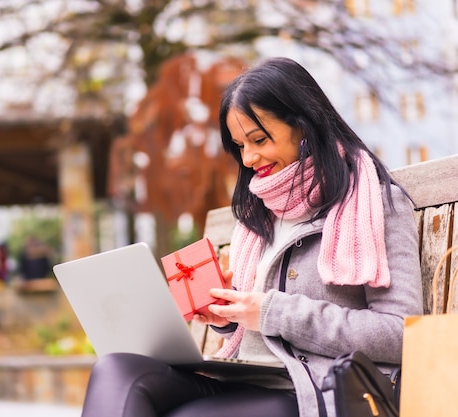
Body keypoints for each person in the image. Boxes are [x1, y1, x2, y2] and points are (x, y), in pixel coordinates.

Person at [80, 57, 423, 417]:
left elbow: (400, 333)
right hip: (246, 379)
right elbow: (261, 327)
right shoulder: (261, 210)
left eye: (258, 139)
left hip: (312, 389)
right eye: (240, 145)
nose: (248, 158)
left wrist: (273, 311)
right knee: (116, 369)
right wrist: (230, 317)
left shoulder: (372, 202)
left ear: (303, 125)